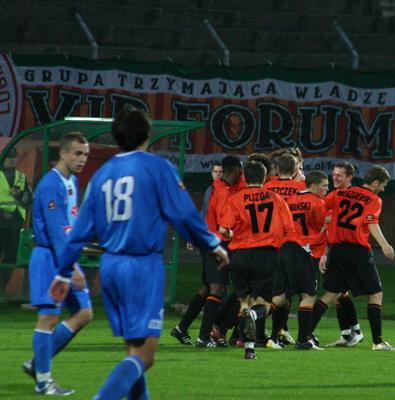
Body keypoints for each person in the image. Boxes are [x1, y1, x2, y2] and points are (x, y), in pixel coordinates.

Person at [49, 108, 229, 399]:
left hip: (111, 267)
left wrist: (62, 272)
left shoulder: (102, 174)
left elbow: (79, 231)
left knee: (134, 351)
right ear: (148, 133)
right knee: (144, 356)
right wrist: (212, 244)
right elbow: (183, 213)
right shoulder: (157, 167)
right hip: (142, 267)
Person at [21, 133, 92, 396]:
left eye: (85, 154)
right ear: (62, 153)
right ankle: (43, 381)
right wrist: (71, 267)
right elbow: (55, 232)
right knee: (48, 318)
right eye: (77, 153)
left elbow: (69, 226)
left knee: (84, 313)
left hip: (64, 258)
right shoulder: (51, 184)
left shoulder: (71, 181)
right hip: (51, 260)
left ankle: (36, 364)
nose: (82, 159)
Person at [312, 165, 395, 351]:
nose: (383, 189)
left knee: (331, 294)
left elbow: (319, 208)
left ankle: (305, 336)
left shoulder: (340, 194)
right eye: (383, 185)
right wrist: (385, 245)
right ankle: (377, 342)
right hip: (357, 251)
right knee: (375, 294)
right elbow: (371, 222)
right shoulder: (374, 199)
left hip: (336, 250)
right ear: (375, 183)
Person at [219, 160, 295, 359]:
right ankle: (254, 317)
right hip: (267, 255)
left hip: (241, 255)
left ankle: (249, 348)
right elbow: (289, 229)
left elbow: (223, 229)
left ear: (245, 176)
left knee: (244, 302)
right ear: (265, 177)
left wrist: (235, 235)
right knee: (263, 302)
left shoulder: (235, 199)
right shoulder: (276, 199)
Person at [171, 156, 242, 347]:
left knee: (208, 287)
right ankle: (204, 336)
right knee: (218, 288)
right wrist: (238, 234)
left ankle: (182, 328)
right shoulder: (224, 192)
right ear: (236, 171)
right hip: (219, 244)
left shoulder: (216, 187)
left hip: (210, 242)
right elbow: (222, 227)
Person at [269, 170, 329, 350]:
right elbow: (320, 229)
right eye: (324, 186)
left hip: (285, 248)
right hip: (303, 250)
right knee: (308, 295)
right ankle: (303, 340)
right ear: (313, 186)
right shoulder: (318, 202)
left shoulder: (289, 200)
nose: (327, 189)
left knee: (283, 295)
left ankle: (266, 332)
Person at [319, 162, 364, 347]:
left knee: (338, 291)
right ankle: (349, 333)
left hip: (346, 249)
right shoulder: (332, 196)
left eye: (340, 175)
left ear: (349, 178)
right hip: (333, 248)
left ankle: (355, 332)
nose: (335, 178)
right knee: (340, 293)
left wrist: (328, 219)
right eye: (334, 174)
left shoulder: (352, 198)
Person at [0, 148, 32, 264]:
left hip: (15, 224)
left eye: (14, 157)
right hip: (0, 223)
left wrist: (19, 195)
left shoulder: (21, 177)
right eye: (9, 157)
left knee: (11, 259)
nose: (11, 160)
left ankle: (4, 277)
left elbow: (29, 199)